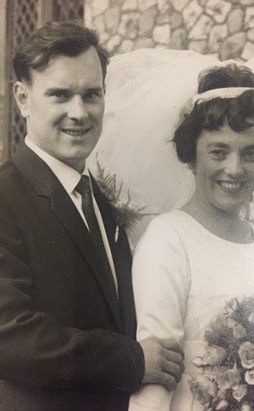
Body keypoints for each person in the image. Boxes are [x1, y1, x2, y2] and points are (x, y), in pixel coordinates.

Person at [0, 21, 184, 411]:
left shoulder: (99, 198)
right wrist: (133, 360)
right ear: (22, 98)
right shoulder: (6, 195)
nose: (79, 113)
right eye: (60, 95)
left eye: (91, 95)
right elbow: (10, 334)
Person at [129, 64, 254, 410]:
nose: (235, 169)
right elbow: (156, 379)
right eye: (218, 152)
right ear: (192, 156)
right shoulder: (169, 239)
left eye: (250, 153)